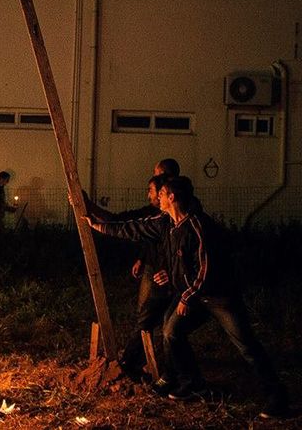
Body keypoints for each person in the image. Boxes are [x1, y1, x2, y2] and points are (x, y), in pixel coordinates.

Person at [85, 176, 288, 418]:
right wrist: (98, 226)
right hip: (190, 294)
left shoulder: (199, 226)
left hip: (218, 297)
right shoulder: (165, 223)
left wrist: (186, 296)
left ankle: (277, 398)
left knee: (246, 345)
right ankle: (191, 381)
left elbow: (205, 269)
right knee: (171, 332)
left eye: (161, 194)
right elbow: (132, 227)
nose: (157, 197)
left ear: (172, 197)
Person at [85, 174, 172, 380]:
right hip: (159, 272)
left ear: (167, 193)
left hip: (170, 280)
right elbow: (129, 227)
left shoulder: (177, 220)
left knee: (153, 319)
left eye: (154, 190)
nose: (151, 195)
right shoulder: (159, 218)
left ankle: (132, 363)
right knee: (158, 320)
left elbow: (124, 223)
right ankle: (152, 362)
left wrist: (172, 271)